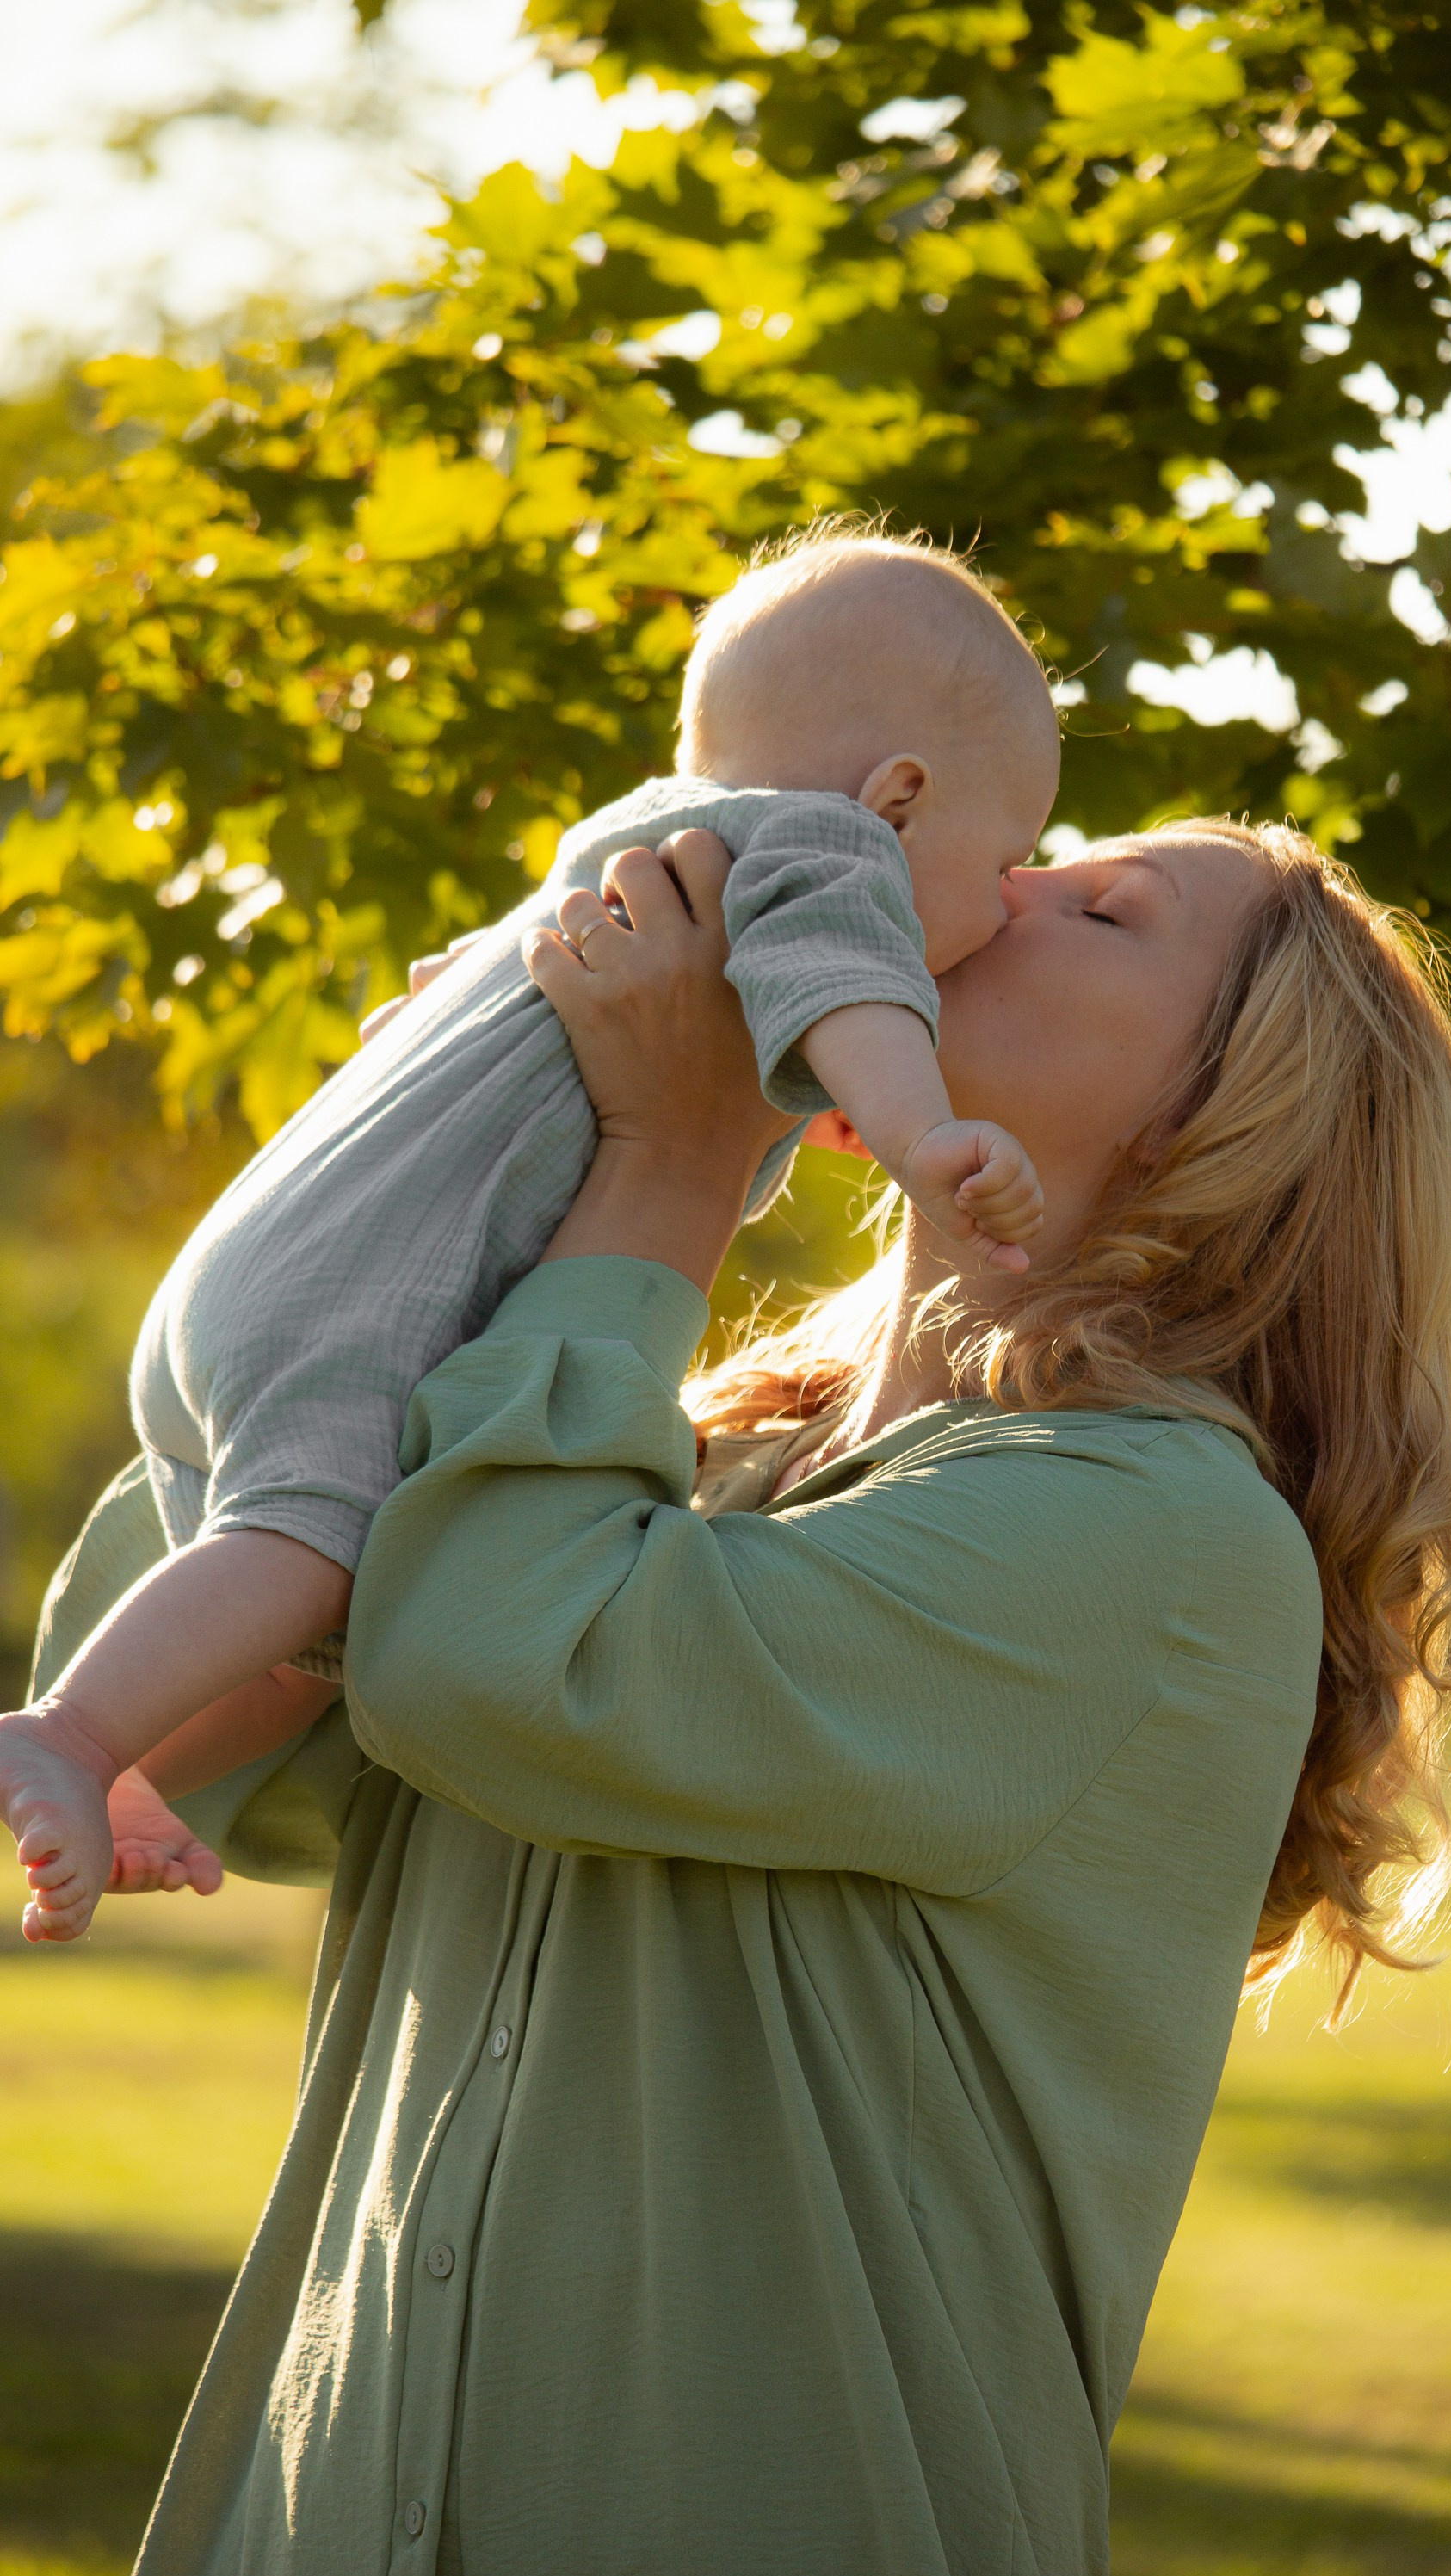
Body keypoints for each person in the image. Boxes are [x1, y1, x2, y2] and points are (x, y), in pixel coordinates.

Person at [29, 812, 1451, 2576]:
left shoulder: (1158, 1537)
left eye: (1103, 908)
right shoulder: (683, 1460)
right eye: (1033, 850)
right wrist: (447, 1144)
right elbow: (226, 1733)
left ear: (1224, 1120)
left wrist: (671, 1144)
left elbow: (498, 1667)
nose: (998, 879)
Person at [2, 526, 1059, 1943]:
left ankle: (141, 1778)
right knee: (308, 1539)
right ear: (902, 798)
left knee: (344, 1591)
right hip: (358, 1302)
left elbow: (464, 988)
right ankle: (67, 1736)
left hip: (269, 1270)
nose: (1010, 904)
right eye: (1014, 859)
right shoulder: (826, 843)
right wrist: (925, 1135)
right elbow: (849, 981)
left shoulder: (632, 841)